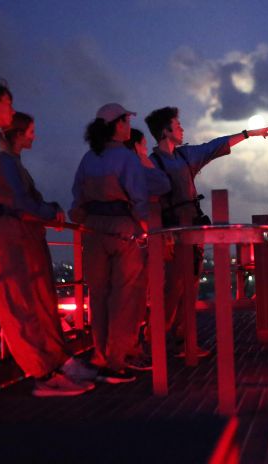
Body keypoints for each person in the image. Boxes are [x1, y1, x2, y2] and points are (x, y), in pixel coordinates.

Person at [0, 82, 94, 397]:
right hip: (0, 227)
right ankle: (44, 372)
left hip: (7, 226)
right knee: (18, 302)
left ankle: (53, 364)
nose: (12, 110)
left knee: (28, 299)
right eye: (9, 103)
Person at [144, 106, 268, 356]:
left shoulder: (184, 157)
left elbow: (214, 146)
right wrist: (161, 234)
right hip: (171, 231)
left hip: (192, 228)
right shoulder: (152, 164)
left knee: (190, 285)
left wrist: (247, 134)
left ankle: (184, 340)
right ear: (165, 130)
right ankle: (155, 341)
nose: (182, 128)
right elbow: (150, 202)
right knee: (172, 287)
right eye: (177, 124)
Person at [70, 103, 167, 382]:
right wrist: (146, 226)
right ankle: (116, 360)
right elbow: (139, 196)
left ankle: (100, 355)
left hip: (92, 229)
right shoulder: (126, 158)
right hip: (123, 228)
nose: (128, 127)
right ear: (116, 124)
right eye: (125, 121)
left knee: (98, 295)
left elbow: (77, 195)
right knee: (124, 296)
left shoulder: (89, 158)